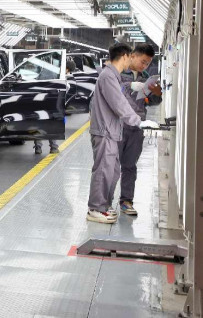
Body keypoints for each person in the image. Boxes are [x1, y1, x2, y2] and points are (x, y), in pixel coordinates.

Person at [87, 43, 158, 224]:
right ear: (127, 56)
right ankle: (96, 208)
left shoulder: (113, 76)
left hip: (113, 130)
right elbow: (120, 104)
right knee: (104, 170)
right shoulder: (108, 76)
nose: (144, 66)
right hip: (106, 131)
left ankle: (104, 205)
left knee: (113, 170)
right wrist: (138, 122)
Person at [117, 43, 162, 216]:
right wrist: (129, 86)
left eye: (148, 63)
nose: (145, 66)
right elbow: (110, 93)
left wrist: (157, 93)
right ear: (133, 55)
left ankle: (126, 201)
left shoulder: (146, 77)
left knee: (130, 165)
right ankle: (103, 203)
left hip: (137, 127)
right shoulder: (119, 73)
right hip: (118, 125)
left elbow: (154, 102)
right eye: (143, 61)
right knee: (111, 166)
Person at [33, 59, 77, 155]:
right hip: (52, 102)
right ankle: (53, 147)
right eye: (68, 71)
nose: (68, 73)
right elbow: (64, 88)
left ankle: (38, 148)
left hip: (40, 100)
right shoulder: (59, 74)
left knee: (39, 123)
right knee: (52, 124)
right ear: (67, 68)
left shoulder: (47, 70)